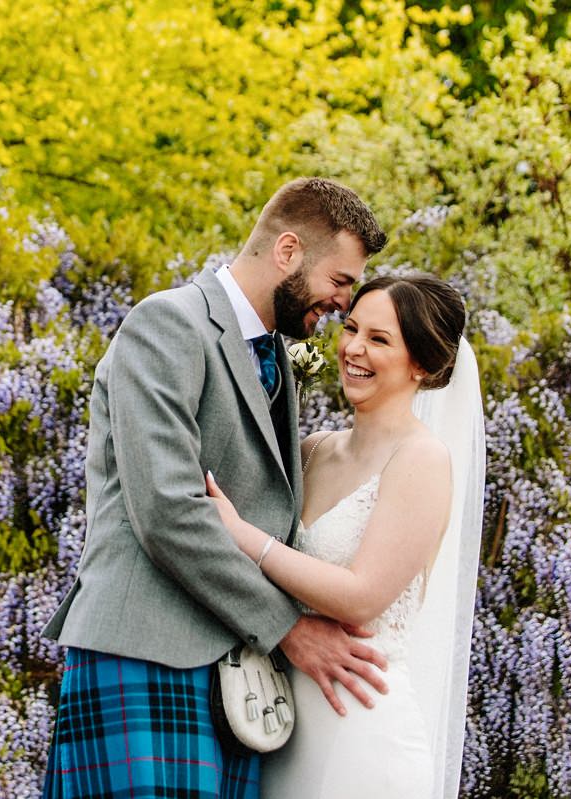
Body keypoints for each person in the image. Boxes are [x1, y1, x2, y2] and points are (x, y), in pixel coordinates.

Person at [41, 177, 389, 799]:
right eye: (339, 281)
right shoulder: (168, 324)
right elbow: (168, 511)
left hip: (232, 677)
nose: (342, 305)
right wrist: (288, 628)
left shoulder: (276, 358)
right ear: (288, 251)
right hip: (144, 651)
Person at [206, 274, 486, 798]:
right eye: (351, 328)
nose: (353, 348)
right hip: (278, 722)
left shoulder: (422, 459)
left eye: (380, 340)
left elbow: (361, 597)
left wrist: (243, 536)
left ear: (422, 364)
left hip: (362, 730)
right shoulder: (312, 449)